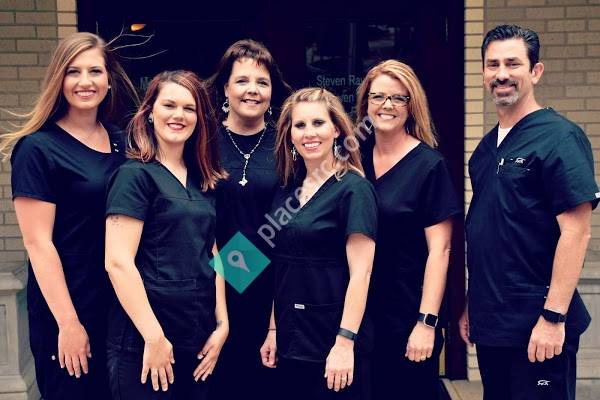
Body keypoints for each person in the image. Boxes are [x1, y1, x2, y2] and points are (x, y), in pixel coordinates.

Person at [461, 25, 598, 400]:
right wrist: (473, 304)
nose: (501, 74)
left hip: (539, 325)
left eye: (513, 63)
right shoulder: (485, 150)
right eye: (492, 65)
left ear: (535, 72)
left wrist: (553, 317)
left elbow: (576, 232)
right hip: (494, 325)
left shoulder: (559, 137)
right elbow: (492, 231)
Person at [0, 32, 138, 400]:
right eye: (73, 71)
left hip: (118, 306)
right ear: (58, 80)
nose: (85, 81)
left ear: (109, 80)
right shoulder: (37, 148)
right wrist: (68, 323)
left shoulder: (122, 141)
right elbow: (37, 243)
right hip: (69, 309)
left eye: (95, 71)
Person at [104, 70, 228, 399]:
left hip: (197, 336)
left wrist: (222, 323)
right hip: (146, 340)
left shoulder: (203, 179)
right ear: (150, 112)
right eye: (169, 105)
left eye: (189, 108)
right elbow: (117, 262)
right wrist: (154, 337)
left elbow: (212, 252)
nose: (179, 115)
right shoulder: (134, 175)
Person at [260, 88, 377, 400]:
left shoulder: (354, 189)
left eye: (318, 123)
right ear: (290, 135)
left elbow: (362, 273)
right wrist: (273, 330)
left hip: (333, 344)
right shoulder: (286, 190)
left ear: (336, 129)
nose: (309, 133)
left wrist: (345, 342)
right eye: (300, 125)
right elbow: (282, 267)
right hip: (290, 341)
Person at [354, 59, 461, 399]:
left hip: (406, 318)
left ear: (411, 105)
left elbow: (440, 251)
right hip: (358, 317)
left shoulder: (430, 166)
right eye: (378, 96)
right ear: (365, 103)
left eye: (398, 98)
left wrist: (426, 323)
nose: (386, 105)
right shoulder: (352, 159)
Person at [204, 39, 291, 399]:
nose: (252, 90)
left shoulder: (287, 143)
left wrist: (243, 268)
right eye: (242, 80)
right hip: (210, 286)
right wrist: (229, 272)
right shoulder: (202, 140)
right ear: (225, 87)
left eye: (262, 82)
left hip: (272, 290)